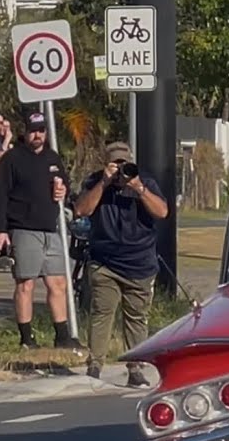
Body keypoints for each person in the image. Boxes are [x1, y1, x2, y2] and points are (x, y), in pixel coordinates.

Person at [72, 140, 168, 387]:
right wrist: (104, 182)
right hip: (105, 262)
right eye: (115, 163)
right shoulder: (96, 181)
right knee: (102, 313)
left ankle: (135, 368)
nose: (120, 169)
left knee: (136, 318)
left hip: (140, 263)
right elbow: (82, 209)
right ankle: (95, 365)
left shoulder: (144, 180)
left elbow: (162, 212)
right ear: (106, 163)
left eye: (124, 163)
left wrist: (139, 188)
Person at [0, 112, 82, 351]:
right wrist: (0, 230)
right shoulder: (12, 159)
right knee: (26, 284)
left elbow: (64, 185)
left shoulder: (53, 158)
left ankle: (62, 335)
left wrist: (62, 192)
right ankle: (26, 338)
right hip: (23, 228)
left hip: (50, 229)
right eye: (33, 130)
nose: (37, 135)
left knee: (58, 282)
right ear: (25, 131)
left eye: (41, 130)